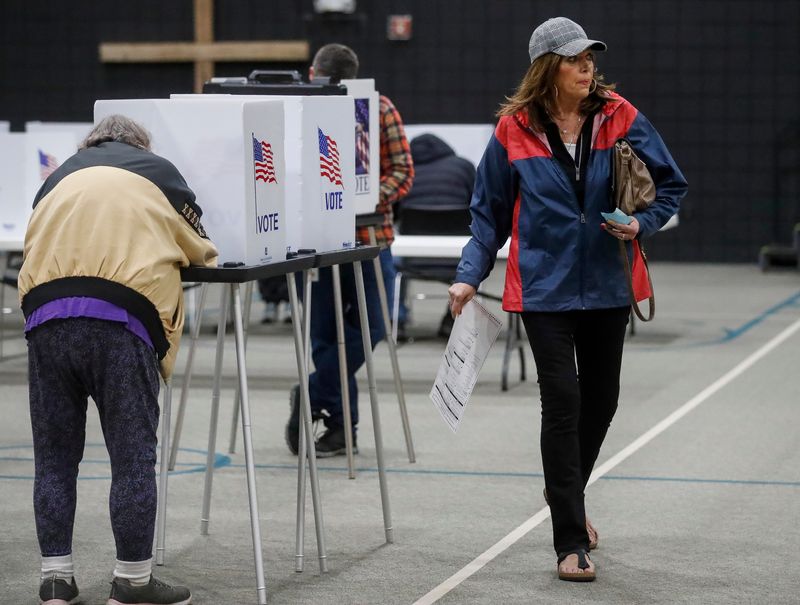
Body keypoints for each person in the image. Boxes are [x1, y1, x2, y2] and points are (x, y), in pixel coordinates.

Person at [448, 17, 687, 582]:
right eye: (576, 59)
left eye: (590, 59)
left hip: (608, 282)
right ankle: (571, 540)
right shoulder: (512, 130)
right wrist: (467, 275)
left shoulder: (619, 114)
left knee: (601, 400)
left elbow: (671, 185)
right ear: (547, 68)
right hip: (542, 288)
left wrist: (641, 222)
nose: (588, 67)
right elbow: (488, 217)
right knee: (562, 403)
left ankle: (566, 497)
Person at [18, 114, 218, 605]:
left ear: (90, 143)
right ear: (141, 145)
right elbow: (202, 251)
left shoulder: (58, 176)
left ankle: (56, 581)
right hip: (120, 319)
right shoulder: (158, 171)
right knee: (131, 459)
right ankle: (131, 581)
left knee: (54, 459)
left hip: (45, 318)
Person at [285, 43, 414, 457]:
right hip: (322, 240)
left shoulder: (376, 109)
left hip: (367, 240)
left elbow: (402, 172)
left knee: (371, 329)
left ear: (312, 72)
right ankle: (342, 430)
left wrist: (365, 198)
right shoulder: (300, 111)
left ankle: (313, 390)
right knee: (325, 338)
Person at [393, 133, 475, 340]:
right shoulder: (463, 167)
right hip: (458, 259)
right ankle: (452, 319)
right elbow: (478, 206)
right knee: (477, 262)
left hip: (413, 259)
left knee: (390, 263)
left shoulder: (404, 171)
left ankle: (397, 320)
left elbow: (394, 214)